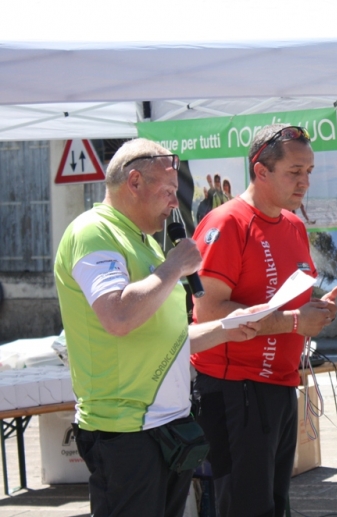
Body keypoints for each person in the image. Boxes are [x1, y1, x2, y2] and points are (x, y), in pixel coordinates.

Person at [54, 138, 265, 517]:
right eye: (168, 190)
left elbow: (165, 340)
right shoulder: (94, 232)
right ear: (134, 182)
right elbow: (118, 317)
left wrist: (225, 329)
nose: (174, 201)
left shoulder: (148, 244)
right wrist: (173, 268)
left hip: (167, 427)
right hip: (125, 432)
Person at [191, 124, 337, 517]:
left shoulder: (292, 224)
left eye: (309, 171)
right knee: (246, 507)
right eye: (295, 171)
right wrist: (294, 322)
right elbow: (208, 313)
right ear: (261, 171)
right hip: (234, 388)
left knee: (275, 506)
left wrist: (318, 311)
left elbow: (285, 297)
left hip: (279, 385)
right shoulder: (226, 223)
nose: (305, 181)